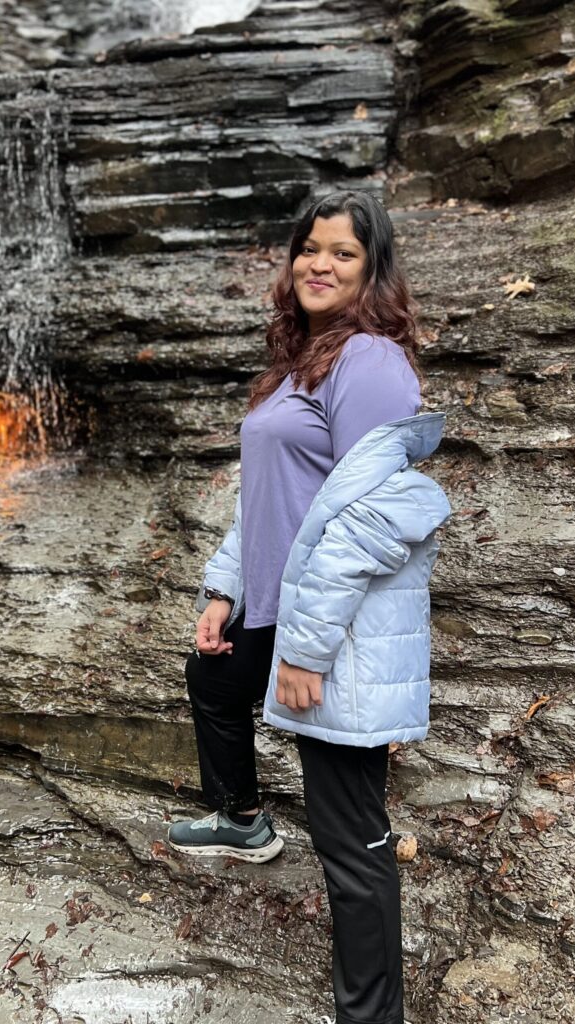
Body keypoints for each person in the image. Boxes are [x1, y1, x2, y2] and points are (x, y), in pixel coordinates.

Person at [166, 189, 452, 1024]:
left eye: (343, 254)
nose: (319, 265)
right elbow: (269, 498)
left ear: (373, 271)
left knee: (349, 835)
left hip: (338, 630)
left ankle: (372, 1015)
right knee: (213, 678)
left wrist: (305, 652)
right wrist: (227, 588)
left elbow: (377, 519)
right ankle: (242, 820)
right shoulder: (304, 358)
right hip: (276, 605)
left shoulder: (371, 364)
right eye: (309, 249)